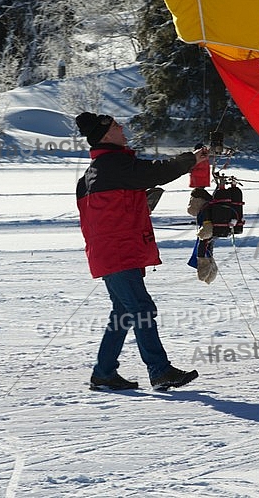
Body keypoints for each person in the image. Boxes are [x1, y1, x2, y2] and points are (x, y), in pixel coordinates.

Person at [75, 112, 209, 391]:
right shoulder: (114, 164)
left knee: (124, 312)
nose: (122, 127)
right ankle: (160, 371)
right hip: (118, 253)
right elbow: (155, 172)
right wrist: (191, 159)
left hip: (110, 253)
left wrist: (139, 203)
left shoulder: (94, 173)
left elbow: (111, 210)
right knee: (142, 309)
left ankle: (104, 373)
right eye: (115, 125)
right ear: (105, 135)